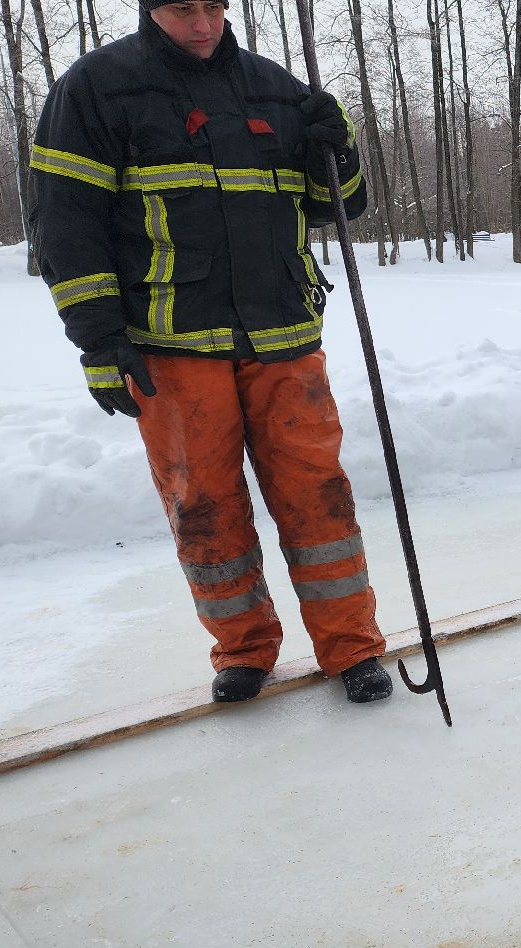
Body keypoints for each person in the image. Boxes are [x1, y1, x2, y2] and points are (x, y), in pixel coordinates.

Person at [28, 0, 393, 706]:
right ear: (150, 9)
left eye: (212, 7)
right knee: (205, 506)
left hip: (284, 335)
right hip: (173, 342)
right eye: (180, 9)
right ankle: (244, 649)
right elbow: (64, 224)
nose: (200, 23)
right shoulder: (97, 89)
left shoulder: (279, 89)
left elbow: (340, 206)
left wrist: (338, 150)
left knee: (320, 498)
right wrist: (100, 342)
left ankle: (352, 647)